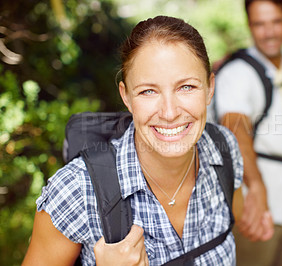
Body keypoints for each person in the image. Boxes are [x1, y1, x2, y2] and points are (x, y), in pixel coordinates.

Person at [22, 16, 246, 266]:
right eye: (148, 91)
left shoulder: (224, 150)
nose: (169, 113)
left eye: (186, 87)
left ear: (209, 88)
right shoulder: (74, 191)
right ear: (126, 96)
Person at [212, 0, 282, 265]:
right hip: (255, 201)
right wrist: (257, 189)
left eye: (275, 22)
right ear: (249, 25)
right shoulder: (239, 73)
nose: (269, 32)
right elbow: (235, 129)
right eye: (259, 24)